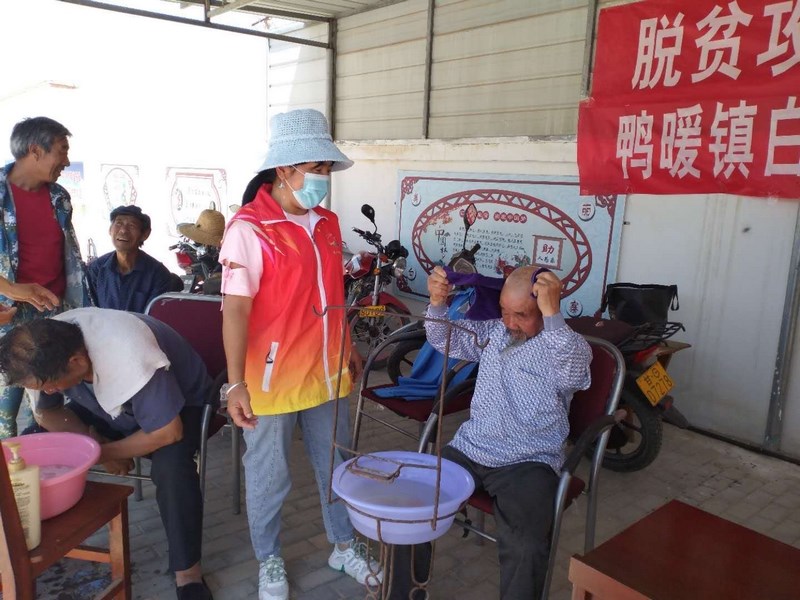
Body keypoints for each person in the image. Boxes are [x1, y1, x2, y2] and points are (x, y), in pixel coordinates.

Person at [219, 108, 379, 600]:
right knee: (270, 476)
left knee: (338, 464)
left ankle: (344, 545)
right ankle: (269, 559)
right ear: (285, 169)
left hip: (327, 370)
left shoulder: (327, 223)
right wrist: (235, 383)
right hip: (271, 379)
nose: (323, 178)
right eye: (316, 168)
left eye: (327, 168)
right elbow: (235, 310)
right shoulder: (249, 228)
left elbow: (332, 292)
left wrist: (347, 344)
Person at [393, 265, 592, 600]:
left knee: (526, 546)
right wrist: (438, 304)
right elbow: (443, 339)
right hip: (472, 447)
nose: (510, 323)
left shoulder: (566, 347)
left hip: (528, 461)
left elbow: (574, 374)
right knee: (409, 509)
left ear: (546, 308)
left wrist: (553, 316)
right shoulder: (493, 331)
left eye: (521, 315)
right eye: (504, 311)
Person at [0, 307, 214, 600]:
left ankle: (188, 573)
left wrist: (99, 453)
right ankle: (19, 546)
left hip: (180, 406)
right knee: (32, 444)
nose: (48, 392)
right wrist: (96, 447)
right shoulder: (43, 348)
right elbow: (48, 414)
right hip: (109, 404)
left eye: (49, 387)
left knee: (171, 467)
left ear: (76, 362)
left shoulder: (128, 351)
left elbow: (168, 432)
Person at [0, 116, 93, 439]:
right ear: (35, 151)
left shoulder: (59, 197)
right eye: (62, 150)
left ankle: (42, 468)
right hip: (8, 317)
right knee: (5, 414)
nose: (66, 161)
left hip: (55, 317)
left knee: (48, 408)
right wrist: (12, 289)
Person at [88, 205, 179, 313]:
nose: (123, 230)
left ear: (145, 234)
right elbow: (90, 311)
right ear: (110, 230)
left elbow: (154, 316)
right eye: (118, 223)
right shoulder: (97, 268)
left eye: (132, 226)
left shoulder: (158, 274)